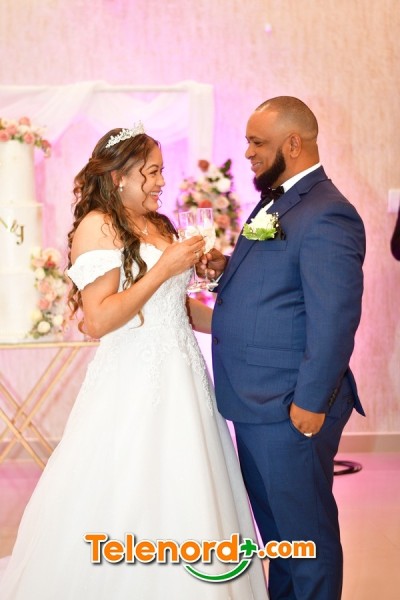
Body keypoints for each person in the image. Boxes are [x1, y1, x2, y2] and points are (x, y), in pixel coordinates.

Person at [0, 124, 268, 599]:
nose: (162, 181)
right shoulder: (98, 226)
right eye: (152, 172)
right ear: (118, 175)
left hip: (186, 381)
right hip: (132, 383)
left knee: (192, 489)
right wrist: (163, 269)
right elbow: (98, 319)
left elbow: (178, 309)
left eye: (162, 171)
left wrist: (240, 322)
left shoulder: (161, 225)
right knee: (130, 490)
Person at [203, 97, 366, 600]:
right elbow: (279, 280)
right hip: (257, 401)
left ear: (293, 144)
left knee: (306, 539)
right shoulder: (276, 200)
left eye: (258, 142)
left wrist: (310, 404)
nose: (248, 153)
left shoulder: (328, 212)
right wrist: (227, 268)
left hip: (290, 405)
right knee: (281, 539)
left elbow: (334, 319)